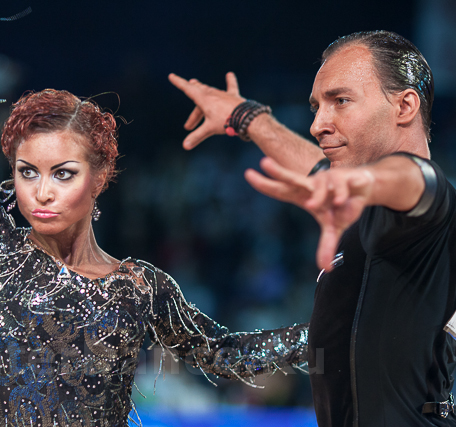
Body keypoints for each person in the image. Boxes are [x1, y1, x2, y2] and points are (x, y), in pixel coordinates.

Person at [0, 0, 308, 426]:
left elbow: (223, 353)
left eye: (63, 174)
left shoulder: (140, 287)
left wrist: (325, 329)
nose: (42, 192)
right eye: (27, 172)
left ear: (100, 176)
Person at [170, 31, 456, 426]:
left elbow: (412, 177)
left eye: (341, 101)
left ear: (404, 106)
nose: (318, 124)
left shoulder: (429, 198)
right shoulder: (366, 207)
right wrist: (247, 117)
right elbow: (317, 168)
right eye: (316, 106)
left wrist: (358, 182)